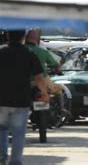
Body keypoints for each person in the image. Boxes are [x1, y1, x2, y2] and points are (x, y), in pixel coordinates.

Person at [0, 30, 48, 165]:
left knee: (1, 129)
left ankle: (1, 156)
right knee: (18, 133)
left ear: (8, 35)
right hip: (21, 101)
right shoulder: (29, 54)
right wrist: (44, 94)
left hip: (1, 100)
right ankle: (15, 161)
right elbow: (39, 78)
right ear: (23, 37)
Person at [25, 29, 63, 94]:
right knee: (59, 89)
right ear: (38, 40)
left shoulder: (20, 50)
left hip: (23, 80)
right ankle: (58, 104)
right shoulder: (43, 52)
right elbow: (55, 65)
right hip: (42, 79)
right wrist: (58, 70)